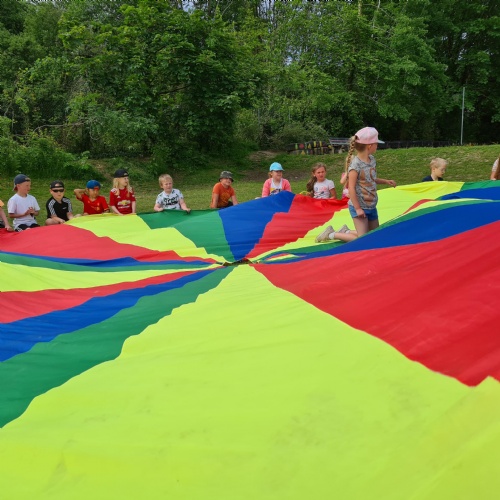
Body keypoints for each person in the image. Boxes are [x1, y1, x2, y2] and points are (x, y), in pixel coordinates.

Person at [315, 127, 396, 243]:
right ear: (369, 146)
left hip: (371, 206)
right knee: (363, 240)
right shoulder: (355, 166)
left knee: (375, 237)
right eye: (376, 144)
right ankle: (331, 234)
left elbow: (370, 178)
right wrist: (358, 208)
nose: (377, 146)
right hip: (359, 207)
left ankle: (346, 231)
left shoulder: (372, 160)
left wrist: (386, 181)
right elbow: (351, 187)